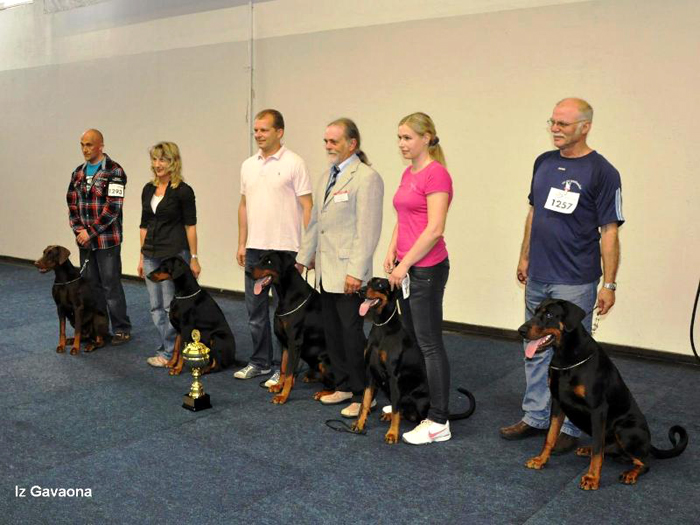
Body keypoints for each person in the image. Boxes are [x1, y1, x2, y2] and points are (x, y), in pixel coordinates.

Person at [499, 98, 624, 454]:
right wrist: (524, 255)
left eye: (563, 124)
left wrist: (609, 283)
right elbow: (534, 213)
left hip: (575, 280)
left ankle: (569, 426)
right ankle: (536, 416)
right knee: (534, 347)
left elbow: (610, 231)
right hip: (539, 274)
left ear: (585, 127)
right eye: (552, 122)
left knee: (572, 356)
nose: (555, 128)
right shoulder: (543, 162)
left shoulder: (603, 171)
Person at [296, 118, 383, 418]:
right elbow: (316, 224)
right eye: (326, 141)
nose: (328, 146)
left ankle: (363, 394)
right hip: (326, 271)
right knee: (333, 332)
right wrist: (303, 257)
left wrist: (356, 272)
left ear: (352, 143)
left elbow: (367, 231)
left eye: (334, 141)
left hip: (349, 272)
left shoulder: (367, 178)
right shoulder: (327, 177)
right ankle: (343, 385)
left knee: (352, 334)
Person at [384, 112, 454, 445]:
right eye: (399, 137)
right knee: (412, 339)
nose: (402, 143)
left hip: (427, 270)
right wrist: (392, 251)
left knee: (429, 344)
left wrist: (405, 264)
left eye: (408, 137)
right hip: (408, 266)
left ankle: (439, 421)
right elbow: (403, 217)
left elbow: (435, 229)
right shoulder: (407, 172)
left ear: (426, 138)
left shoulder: (436, 174)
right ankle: (419, 402)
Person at [235, 109, 312, 385]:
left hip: (286, 251)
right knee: (254, 311)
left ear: (279, 132)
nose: (258, 135)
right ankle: (260, 362)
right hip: (255, 249)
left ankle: (284, 367)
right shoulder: (248, 165)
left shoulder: (295, 163)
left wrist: (308, 249)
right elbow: (244, 206)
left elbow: (307, 206)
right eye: (256, 130)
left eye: (264, 130)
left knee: (285, 313)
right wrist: (242, 243)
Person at [137, 142, 200, 367]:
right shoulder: (148, 189)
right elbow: (144, 225)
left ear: (173, 162)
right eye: (154, 159)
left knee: (169, 306)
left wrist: (194, 258)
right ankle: (166, 349)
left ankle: (172, 353)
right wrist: (141, 257)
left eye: (162, 160)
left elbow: (190, 226)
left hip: (173, 256)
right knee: (155, 307)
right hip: (151, 254)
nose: (157, 164)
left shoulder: (183, 191)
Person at [67, 129, 132, 345]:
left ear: (101, 146)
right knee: (91, 287)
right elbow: (72, 204)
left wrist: (90, 232)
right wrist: (79, 231)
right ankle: (99, 330)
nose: (85, 149)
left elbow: (113, 208)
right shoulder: (77, 173)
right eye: (82, 144)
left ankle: (122, 328)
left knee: (111, 286)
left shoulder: (115, 171)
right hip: (85, 241)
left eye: (89, 145)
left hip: (107, 241)